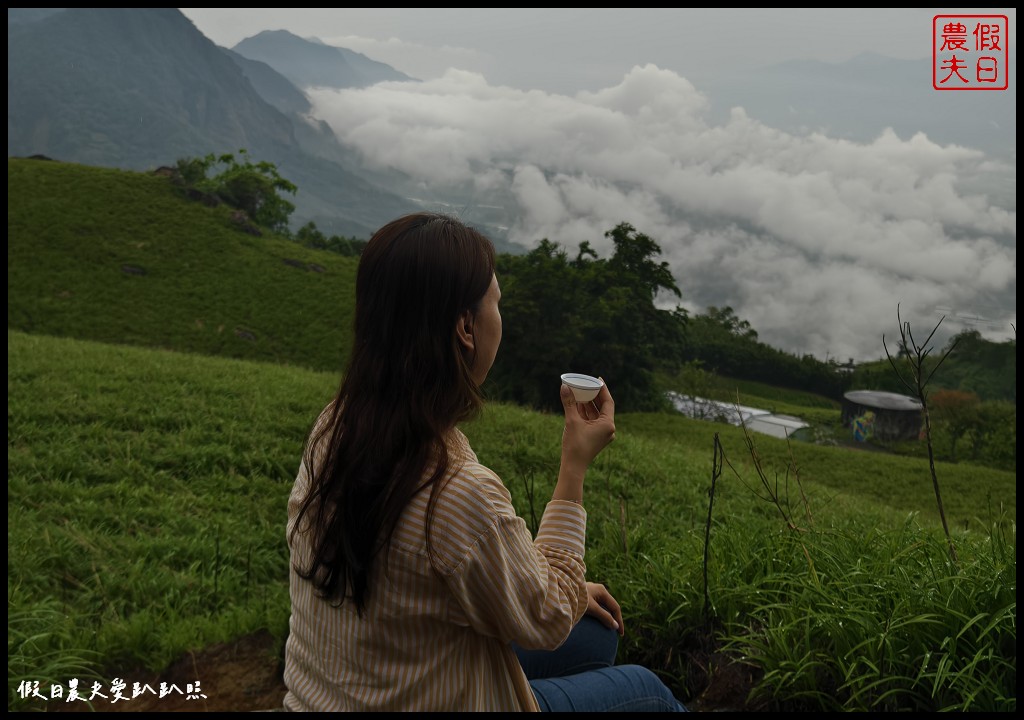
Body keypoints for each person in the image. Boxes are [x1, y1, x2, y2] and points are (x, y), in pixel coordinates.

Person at [282, 212, 686, 712]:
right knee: (648, 691)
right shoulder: (456, 491)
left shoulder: (335, 427)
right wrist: (574, 464)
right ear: (466, 327)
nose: (501, 315)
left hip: (328, 694)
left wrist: (561, 588)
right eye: (496, 302)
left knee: (595, 637)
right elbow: (550, 615)